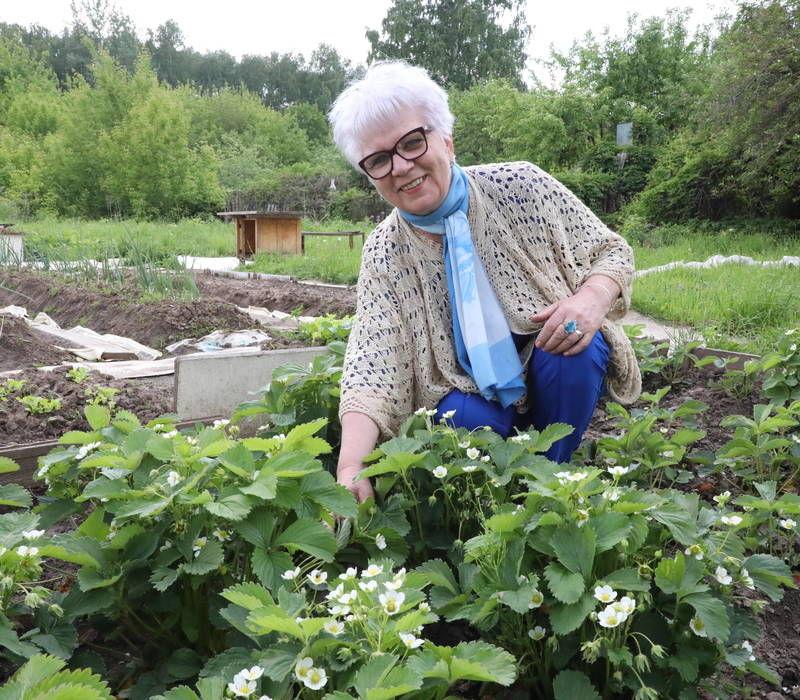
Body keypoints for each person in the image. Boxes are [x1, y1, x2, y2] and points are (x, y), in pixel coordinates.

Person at [328, 61, 641, 503]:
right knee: (460, 418)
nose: (401, 167)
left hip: (548, 361)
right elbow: (371, 361)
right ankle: (500, 498)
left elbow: (609, 251)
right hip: (469, 389)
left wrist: (591, 299)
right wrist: (350, 466)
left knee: (576, 346)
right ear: (370, 175)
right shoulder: (385, 251)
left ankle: (551, 483)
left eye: (413, 143)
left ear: (446, 141)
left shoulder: (521, 186)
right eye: (379, 159)